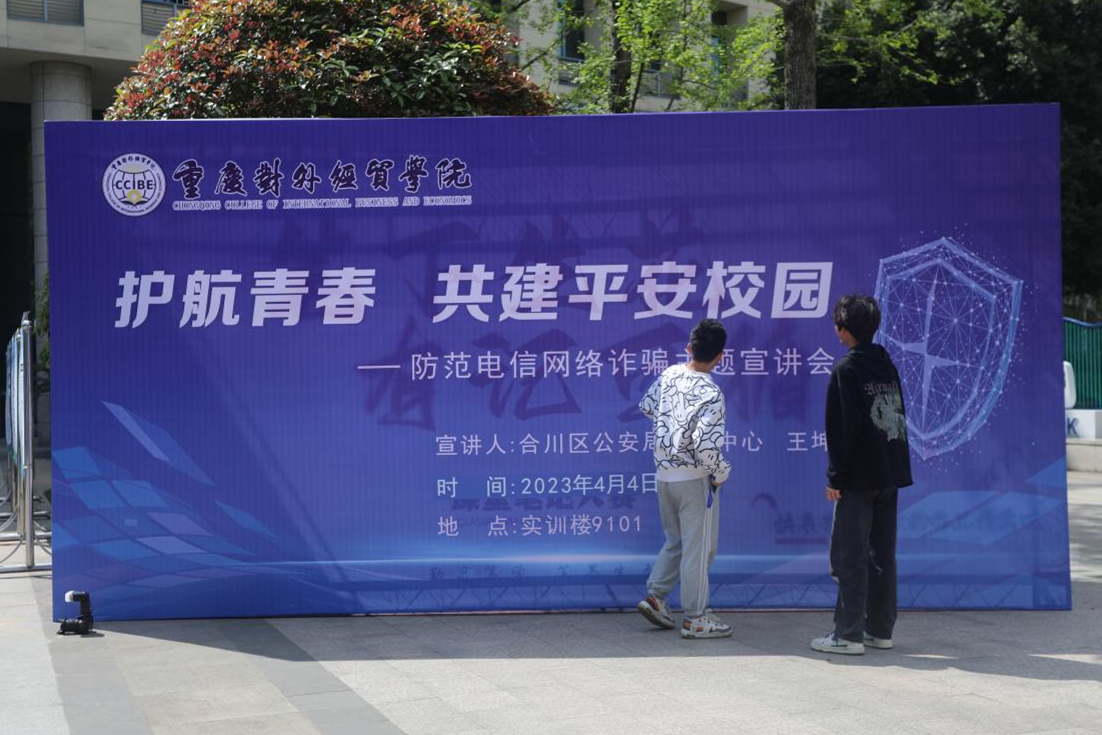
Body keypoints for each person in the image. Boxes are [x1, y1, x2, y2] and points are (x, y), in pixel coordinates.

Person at [812, 295, 913, 655]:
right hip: (890, 472)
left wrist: (835, 478)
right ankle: (879, 630)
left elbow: (842, 430)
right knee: (881, 555)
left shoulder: (846, 370)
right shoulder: (885, 363)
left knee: (849, 555)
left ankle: (848, 634)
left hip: (858, 479)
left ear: (843, 329)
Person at [636, 318, 733, 639]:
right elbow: (706, 445)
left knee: (676, 541)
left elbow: (647, 406)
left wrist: (673, 422)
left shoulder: (669, 374)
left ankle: (656, 597)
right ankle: (696, 617)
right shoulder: (711, 392)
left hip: (664, 475)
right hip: (695, 478)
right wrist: (721, 472)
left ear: (689, 347)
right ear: (720, 356)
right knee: (698, 549)